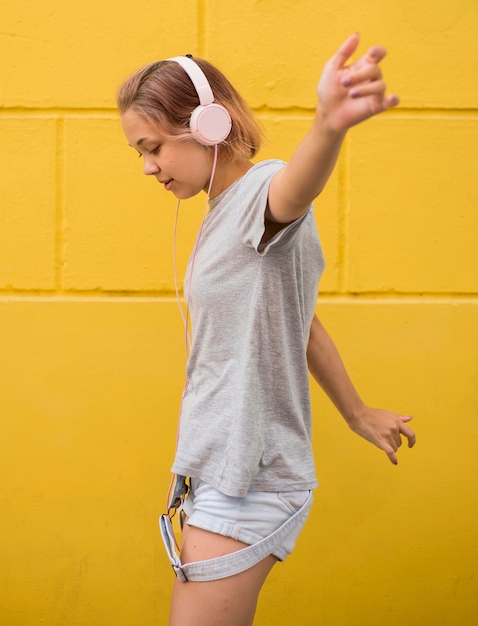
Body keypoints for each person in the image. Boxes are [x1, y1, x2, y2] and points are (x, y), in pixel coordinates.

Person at [117, 33, 416, 626]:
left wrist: (329, 125)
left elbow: (295, 188)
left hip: (246, 481)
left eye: (152, 148)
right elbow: (298, 321)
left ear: (206, 124)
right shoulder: (221, 211)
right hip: (224, 474)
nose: (148, 167)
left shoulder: (259, 191)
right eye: (139, 154)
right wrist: (357, 413)